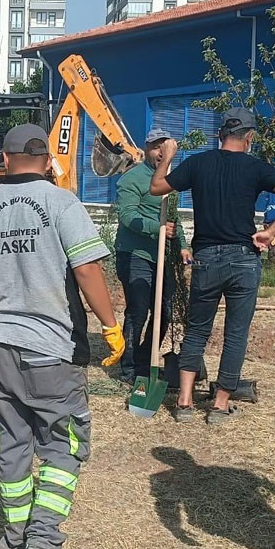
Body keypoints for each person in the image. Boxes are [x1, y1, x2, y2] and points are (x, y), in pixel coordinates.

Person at [0, 123, 125, 549]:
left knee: (12, 442)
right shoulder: (62, 203)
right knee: (63, 444)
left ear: (6, 158)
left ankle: (13, 544)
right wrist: (111, 326)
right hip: (52, 348)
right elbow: (88, 268)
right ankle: (43, 544)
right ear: (47, 157)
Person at [150, 107, 275, 424]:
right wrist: (272, 231)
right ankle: (220, 406)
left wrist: (166, 157)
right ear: (249, 137)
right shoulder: (255, 167)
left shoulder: (198, 163)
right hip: (243, 258)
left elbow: (157, 188)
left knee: (197, 331)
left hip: (207, 257)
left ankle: (184, 402)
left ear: (220, 134)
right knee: (236, 334)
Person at [113, 127, 191, 385]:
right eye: (156, 147)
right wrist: (155, 229)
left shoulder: (170, 180)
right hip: (135, 254)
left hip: (163, 258)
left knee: (166, 312)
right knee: (139, 311)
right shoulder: (132, 179)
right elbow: (127, 216)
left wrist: (181, 244)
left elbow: (173, 218)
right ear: (146, 149)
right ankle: (129, 368)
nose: (160, 152)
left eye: (164, 147)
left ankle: (146, 361)